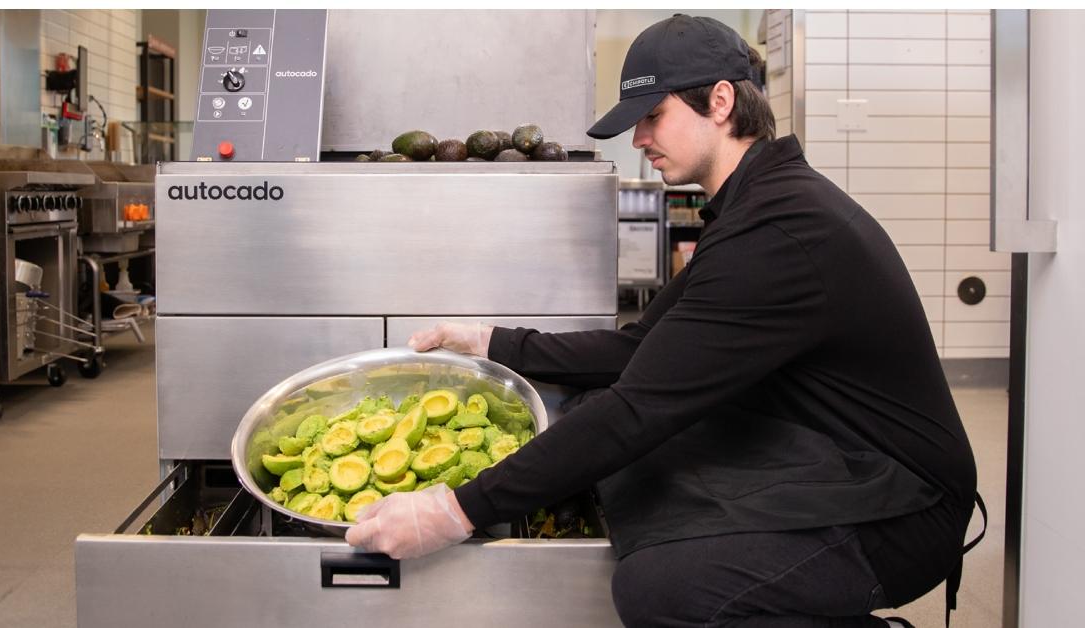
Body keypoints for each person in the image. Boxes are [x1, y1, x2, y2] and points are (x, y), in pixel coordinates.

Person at [347, 14, 978, 628]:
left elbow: (638, 407)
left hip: (899, 505)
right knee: (629, 467)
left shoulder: (782, 231)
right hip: (817, 446)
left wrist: (454, 510)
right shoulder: (752, 207)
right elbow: (641, 350)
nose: (640, 140)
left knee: (662, 589)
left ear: (721, 102)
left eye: (653, 117)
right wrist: (493, 342)